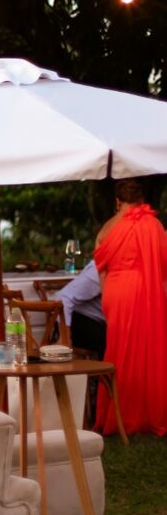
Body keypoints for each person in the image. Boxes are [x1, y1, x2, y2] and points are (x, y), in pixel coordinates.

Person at [93, 179, 167, 436]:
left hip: (116, 291)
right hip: (145, 289)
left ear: (118, 201)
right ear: (141, 199)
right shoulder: (154, 225)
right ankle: (146, 413)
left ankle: (116, 413)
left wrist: (106, 297)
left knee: (117, 350)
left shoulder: (108, 227)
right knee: (147, 350)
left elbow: (100, 267)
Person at [59, 260, 107, 358]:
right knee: (113, 340)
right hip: (79, 319)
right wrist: (65, 338)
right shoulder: (99, 269)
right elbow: (64, 298)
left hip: (104, 321)